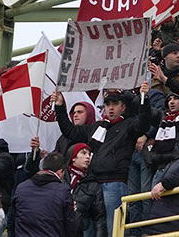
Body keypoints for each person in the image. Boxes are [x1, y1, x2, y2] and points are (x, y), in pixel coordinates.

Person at [52, 82, 151, 236]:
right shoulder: (96, 127)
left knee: (114, 229)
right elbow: (70, 131)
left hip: (114, 183)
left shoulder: (129, 125)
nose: (111, 107)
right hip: (91, 184)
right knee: (89, 229)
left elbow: (144, 122)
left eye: (115, 104)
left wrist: (144, 99)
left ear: (123, 107)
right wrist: (59, 107)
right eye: (107, 104)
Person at [13, 151, 77, 237]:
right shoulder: (63, 191)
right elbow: (70, 226)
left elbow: (12, 219)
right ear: (60, 172)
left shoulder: (21, 188)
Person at [64, 143, 107, 237]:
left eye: (89, 154)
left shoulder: (93, 185)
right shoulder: (60, 176)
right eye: (83, 153)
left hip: (78, 231)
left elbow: (99, 218)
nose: (87, 157)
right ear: (73, 157)